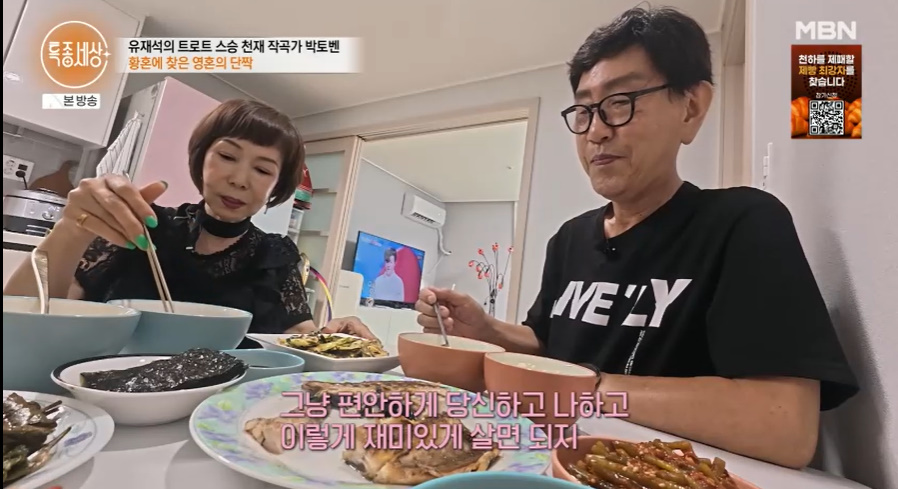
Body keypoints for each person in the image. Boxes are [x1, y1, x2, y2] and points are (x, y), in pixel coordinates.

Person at [415, 7, 858, 469]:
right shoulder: (569, 239)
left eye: (620, 101)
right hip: (535, 460)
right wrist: (487, 332)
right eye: (584, 111)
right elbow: (547, 346)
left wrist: (588, 389)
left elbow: (784, 425)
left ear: (691, 107)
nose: (596, 131)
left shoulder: (742, 223)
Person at [4, 99, 377, 346]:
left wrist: (339, 340)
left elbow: (302, 341)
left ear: (277, 186)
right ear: (202, 159)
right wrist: (71, 227)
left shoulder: (274, 255)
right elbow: (19, 318)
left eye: (262, 169)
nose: (240, 179)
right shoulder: (141, 226)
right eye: (227, 156)